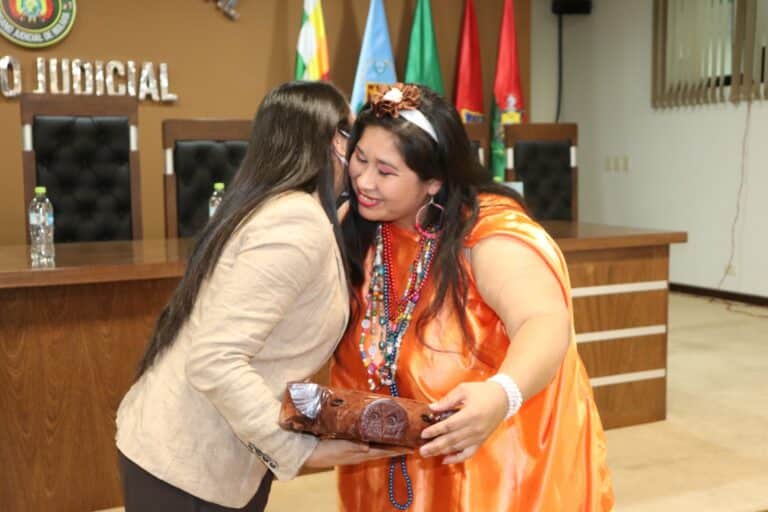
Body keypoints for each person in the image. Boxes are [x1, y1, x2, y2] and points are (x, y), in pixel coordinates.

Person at [115, 81, 402, 512]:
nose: (356, 146)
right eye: (349, 132)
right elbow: (215, 360)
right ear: (326, 141)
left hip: (209, 455)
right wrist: (298, 450)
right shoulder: (295, 225)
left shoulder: (286, 209)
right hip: (187, 467)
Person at [331, 83, 615, 511]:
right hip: (392, 463)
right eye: (360, 159)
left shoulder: (489, 238)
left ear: (433, 182)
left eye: (386, 171)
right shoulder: (364, 223)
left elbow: (544, 322)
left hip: (498, 469)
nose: (365, 180)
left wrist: (503, 394)